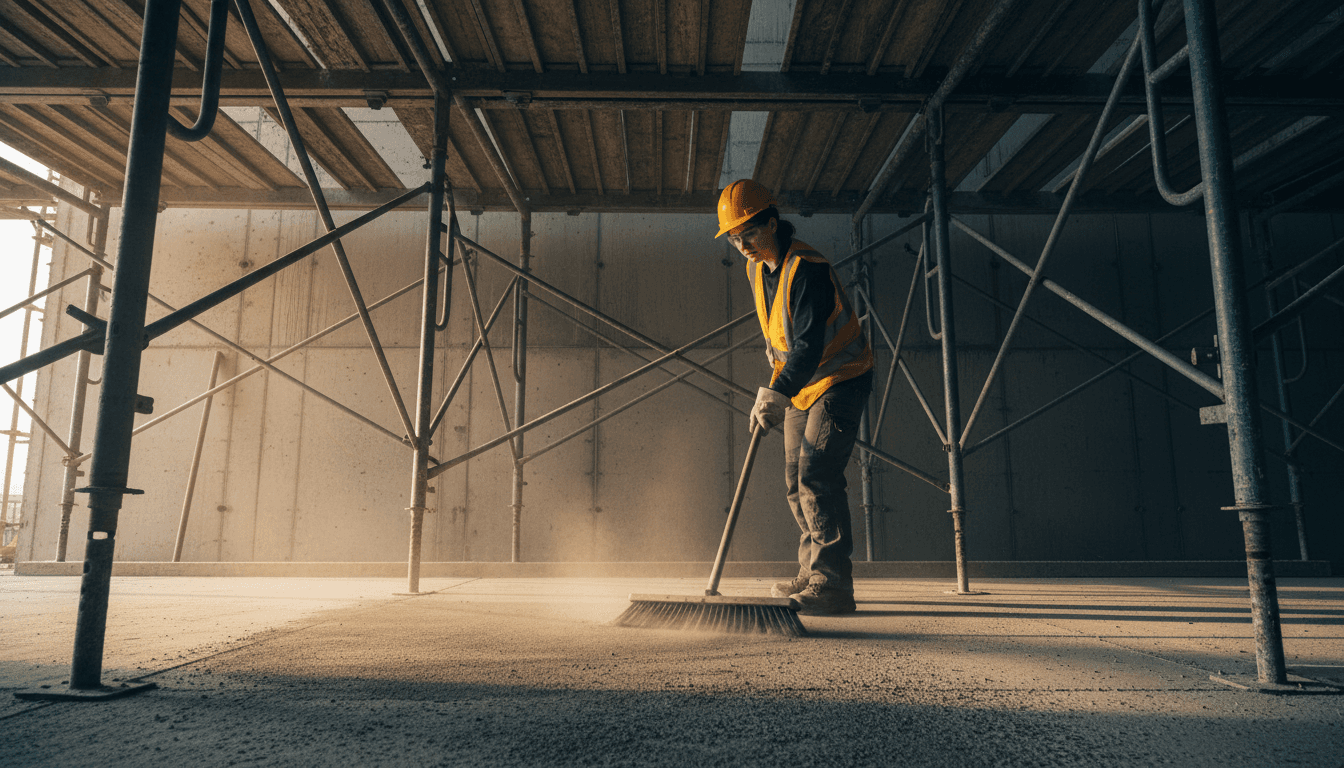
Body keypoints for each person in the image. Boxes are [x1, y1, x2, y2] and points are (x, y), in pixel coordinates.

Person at [715, 179, 874, 615]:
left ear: (771, 222)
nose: (741, 244)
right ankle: (812, 570)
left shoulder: (808, 268)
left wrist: (776, 391)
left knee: (817, 473)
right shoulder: (757, 267)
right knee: (794, 480)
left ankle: (834, 584)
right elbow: (780, 338)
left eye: (747, 232)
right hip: (801, 385)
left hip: (840, 376)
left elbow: (807, 344)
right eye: (733, 237)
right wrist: (774, 387)